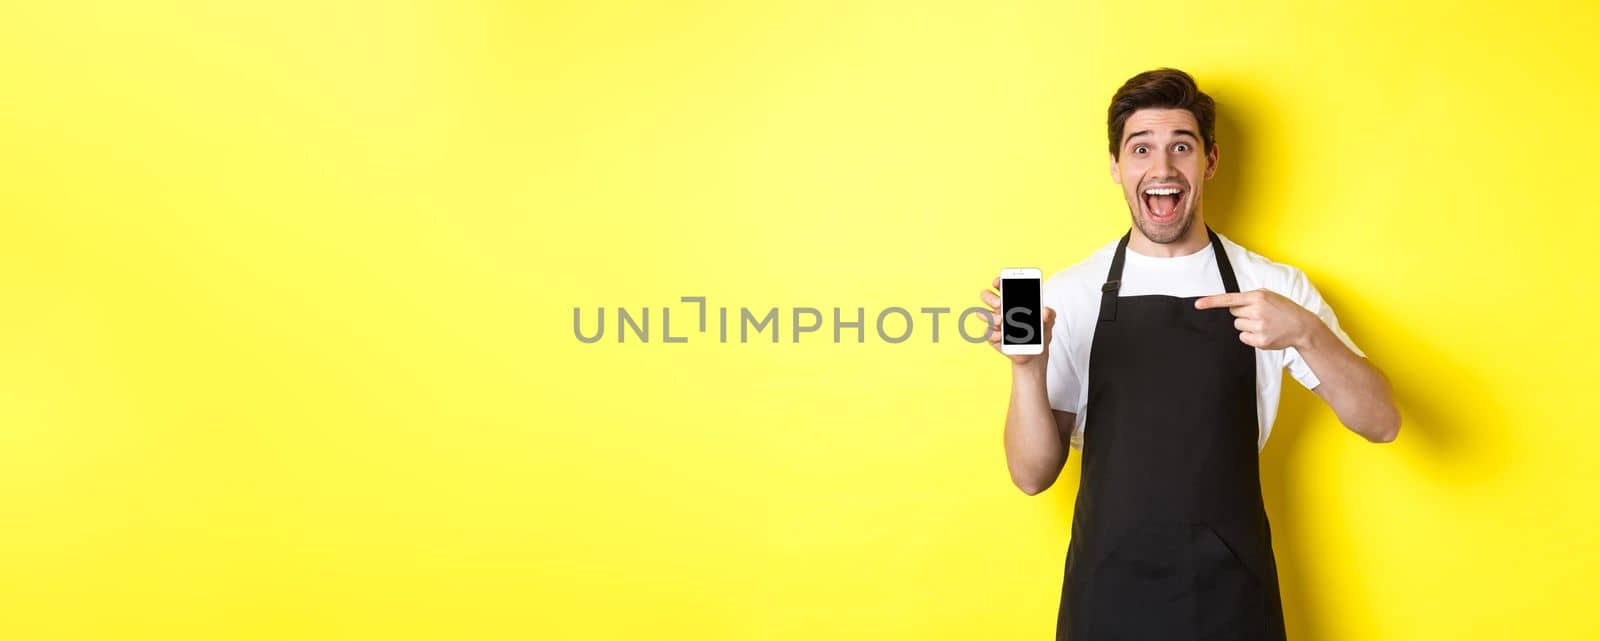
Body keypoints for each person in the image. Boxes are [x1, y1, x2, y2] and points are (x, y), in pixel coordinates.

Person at [978, 68, 1401, 641]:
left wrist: (1307, 334)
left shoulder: (1270, 286)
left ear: (1211, 161)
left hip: (1233, 593)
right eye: (1141, 149)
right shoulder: (1072, 294)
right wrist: (1027, 369)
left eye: (1182, 146)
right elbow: (1031, 476)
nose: (1162, 168)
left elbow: (1381, 423)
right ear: (1116, 167)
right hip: (1108, 593)